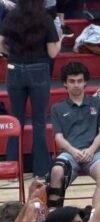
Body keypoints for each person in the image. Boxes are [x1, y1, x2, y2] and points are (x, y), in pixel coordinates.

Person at [0, 0, 61, 179]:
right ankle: (40, 171)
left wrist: (9, 54)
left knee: (16, 120)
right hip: (39, 69)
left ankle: (12, 169)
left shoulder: (11, 16)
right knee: (39, 122)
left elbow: (0, 42)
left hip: (14, 68)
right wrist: (60, 41)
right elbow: (52, 52)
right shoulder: (45, 18)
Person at [48, 61, 100, 209]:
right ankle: (53, 216)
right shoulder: (57, 108)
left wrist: (91, 150)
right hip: (70, 153)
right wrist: (73, 151)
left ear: (85, 82)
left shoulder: (99, 103)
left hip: (95, 152)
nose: (76, 85)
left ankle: (96, 217)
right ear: (65, 83)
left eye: (79, 81)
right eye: (72, 81)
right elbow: (58, 138)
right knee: (56, 171)